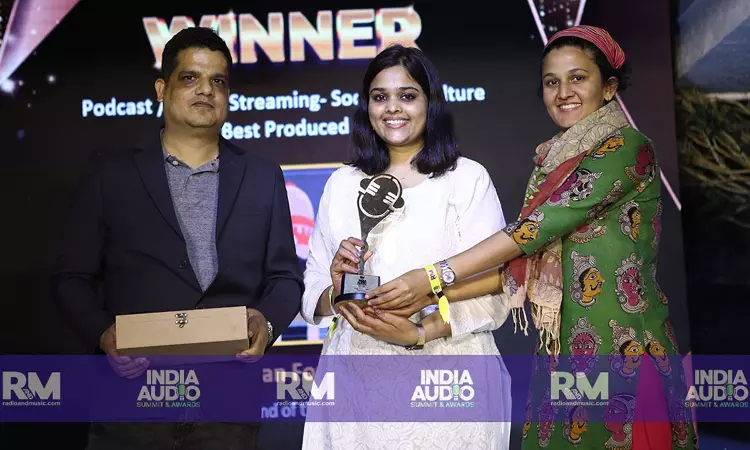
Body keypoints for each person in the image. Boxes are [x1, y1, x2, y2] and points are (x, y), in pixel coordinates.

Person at [365, 26, 696, 449]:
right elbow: (518, 270)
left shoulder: (628, 148)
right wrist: (426, 298)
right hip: (562, 356)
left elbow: (530, 232)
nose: (564, 92)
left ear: (609, 88)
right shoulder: (550, 164)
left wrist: (432, 277)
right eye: (551, 82)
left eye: (578, 78)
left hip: (622, 352)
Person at [52, 27, 303, 449]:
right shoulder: (110, 174)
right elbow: (70, 277)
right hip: (131, 400)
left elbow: (285, 278)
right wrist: (102, 333)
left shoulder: (263, 176)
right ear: (161, 89)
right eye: (190, 78)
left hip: (228, 404)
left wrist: (267, 321)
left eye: (218, 81)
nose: (206, 90)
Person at [300, 44, 512, 449]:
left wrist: (419, 331)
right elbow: (313, 293)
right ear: (366, 107)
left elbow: (497, 289)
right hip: (356, 385)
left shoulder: (465, 178)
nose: (392, 108)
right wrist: (337, 292)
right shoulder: (342, 184)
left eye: (408, 95)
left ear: (430, 103)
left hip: (448, 381)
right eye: (380, 97)